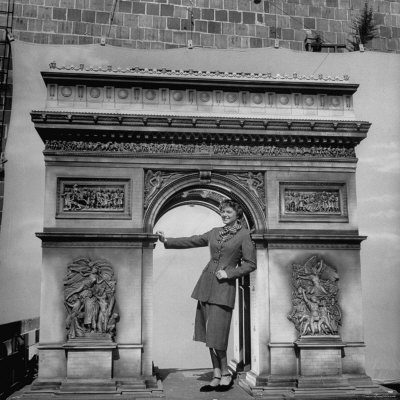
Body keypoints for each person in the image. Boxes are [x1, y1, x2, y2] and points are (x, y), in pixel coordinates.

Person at [156, 199, 256, 392]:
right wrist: (166, 240)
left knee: (217, 334)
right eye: (222, 212)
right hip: (205, 287)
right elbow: (192, 240)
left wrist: (229, 273)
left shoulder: (244, 235)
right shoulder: (214, 232)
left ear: (237, 214)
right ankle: (217, 373)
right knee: (209, 334)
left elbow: (251, 264)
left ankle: (226, 373)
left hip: (224, 289)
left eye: (228, 212)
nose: (224, 215)